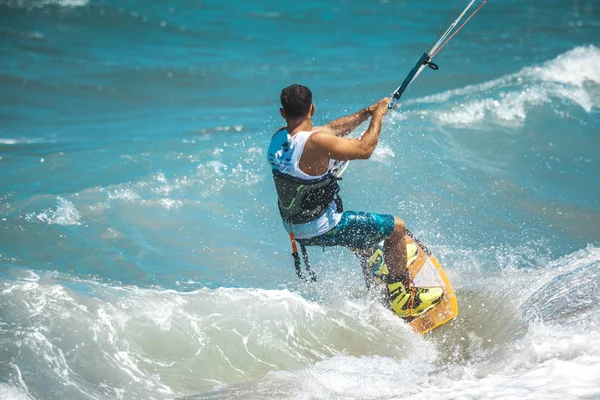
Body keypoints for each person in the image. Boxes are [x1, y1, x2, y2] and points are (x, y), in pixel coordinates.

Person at [267, 84, 443, 318]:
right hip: (321, 228)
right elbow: (364, 149)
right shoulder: (315, 143)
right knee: (397, 228)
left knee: (360, 232)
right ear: (312, 108)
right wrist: (378, 117)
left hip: (295, 226)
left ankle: (378, 265)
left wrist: (366, 112)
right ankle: (402, 297)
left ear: (283, 113)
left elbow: (330, 129)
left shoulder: (279, 137)